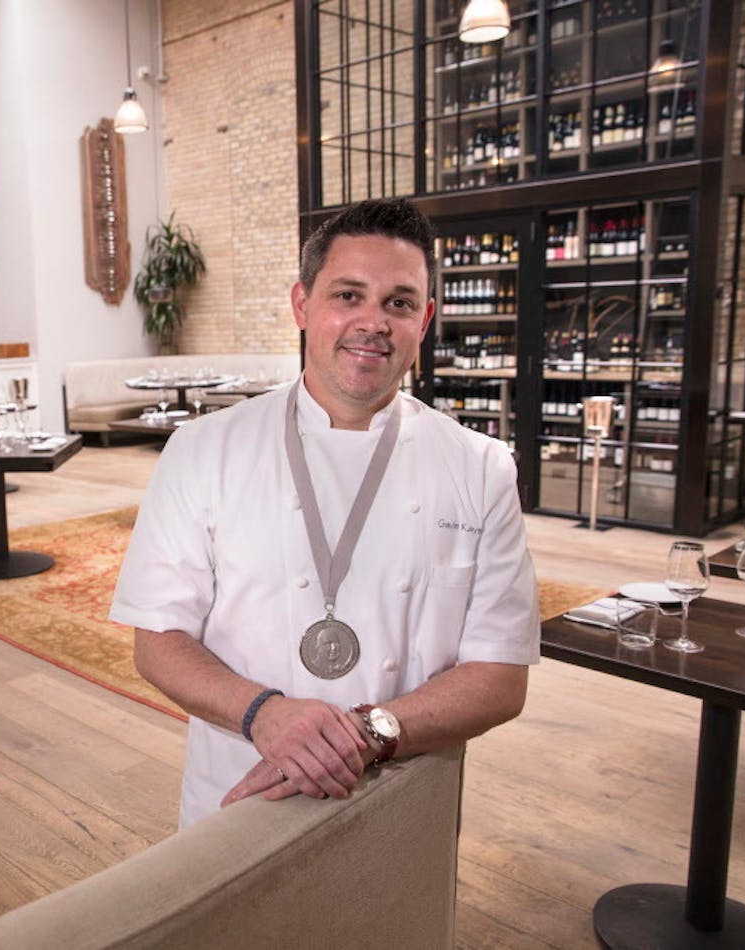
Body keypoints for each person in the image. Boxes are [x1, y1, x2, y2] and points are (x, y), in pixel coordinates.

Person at [110, 198, 538, 828]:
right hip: (239, 784)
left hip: (401, 789)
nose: (374, 322)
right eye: (348, 295)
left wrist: (367, 734)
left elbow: (500, 676)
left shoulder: (481, 467)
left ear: (425, 320)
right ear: (302, 305)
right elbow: (157, 641)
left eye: (398, 302)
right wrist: (263, 714)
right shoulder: (203, 449)